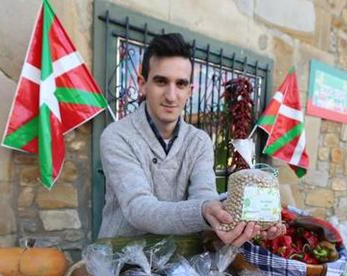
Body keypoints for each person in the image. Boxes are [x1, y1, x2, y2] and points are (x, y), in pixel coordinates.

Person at [98, 33, 284, 246]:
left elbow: (204, 195)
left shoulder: (199, 141)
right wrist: (204, 210)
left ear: (190, 91)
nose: (170, 95)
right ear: (142, 84)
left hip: (179, 259)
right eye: (161, 81)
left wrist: (239, 216)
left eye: (180, 84)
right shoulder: (117, 136)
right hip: (119, 260)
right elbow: (138, 208)